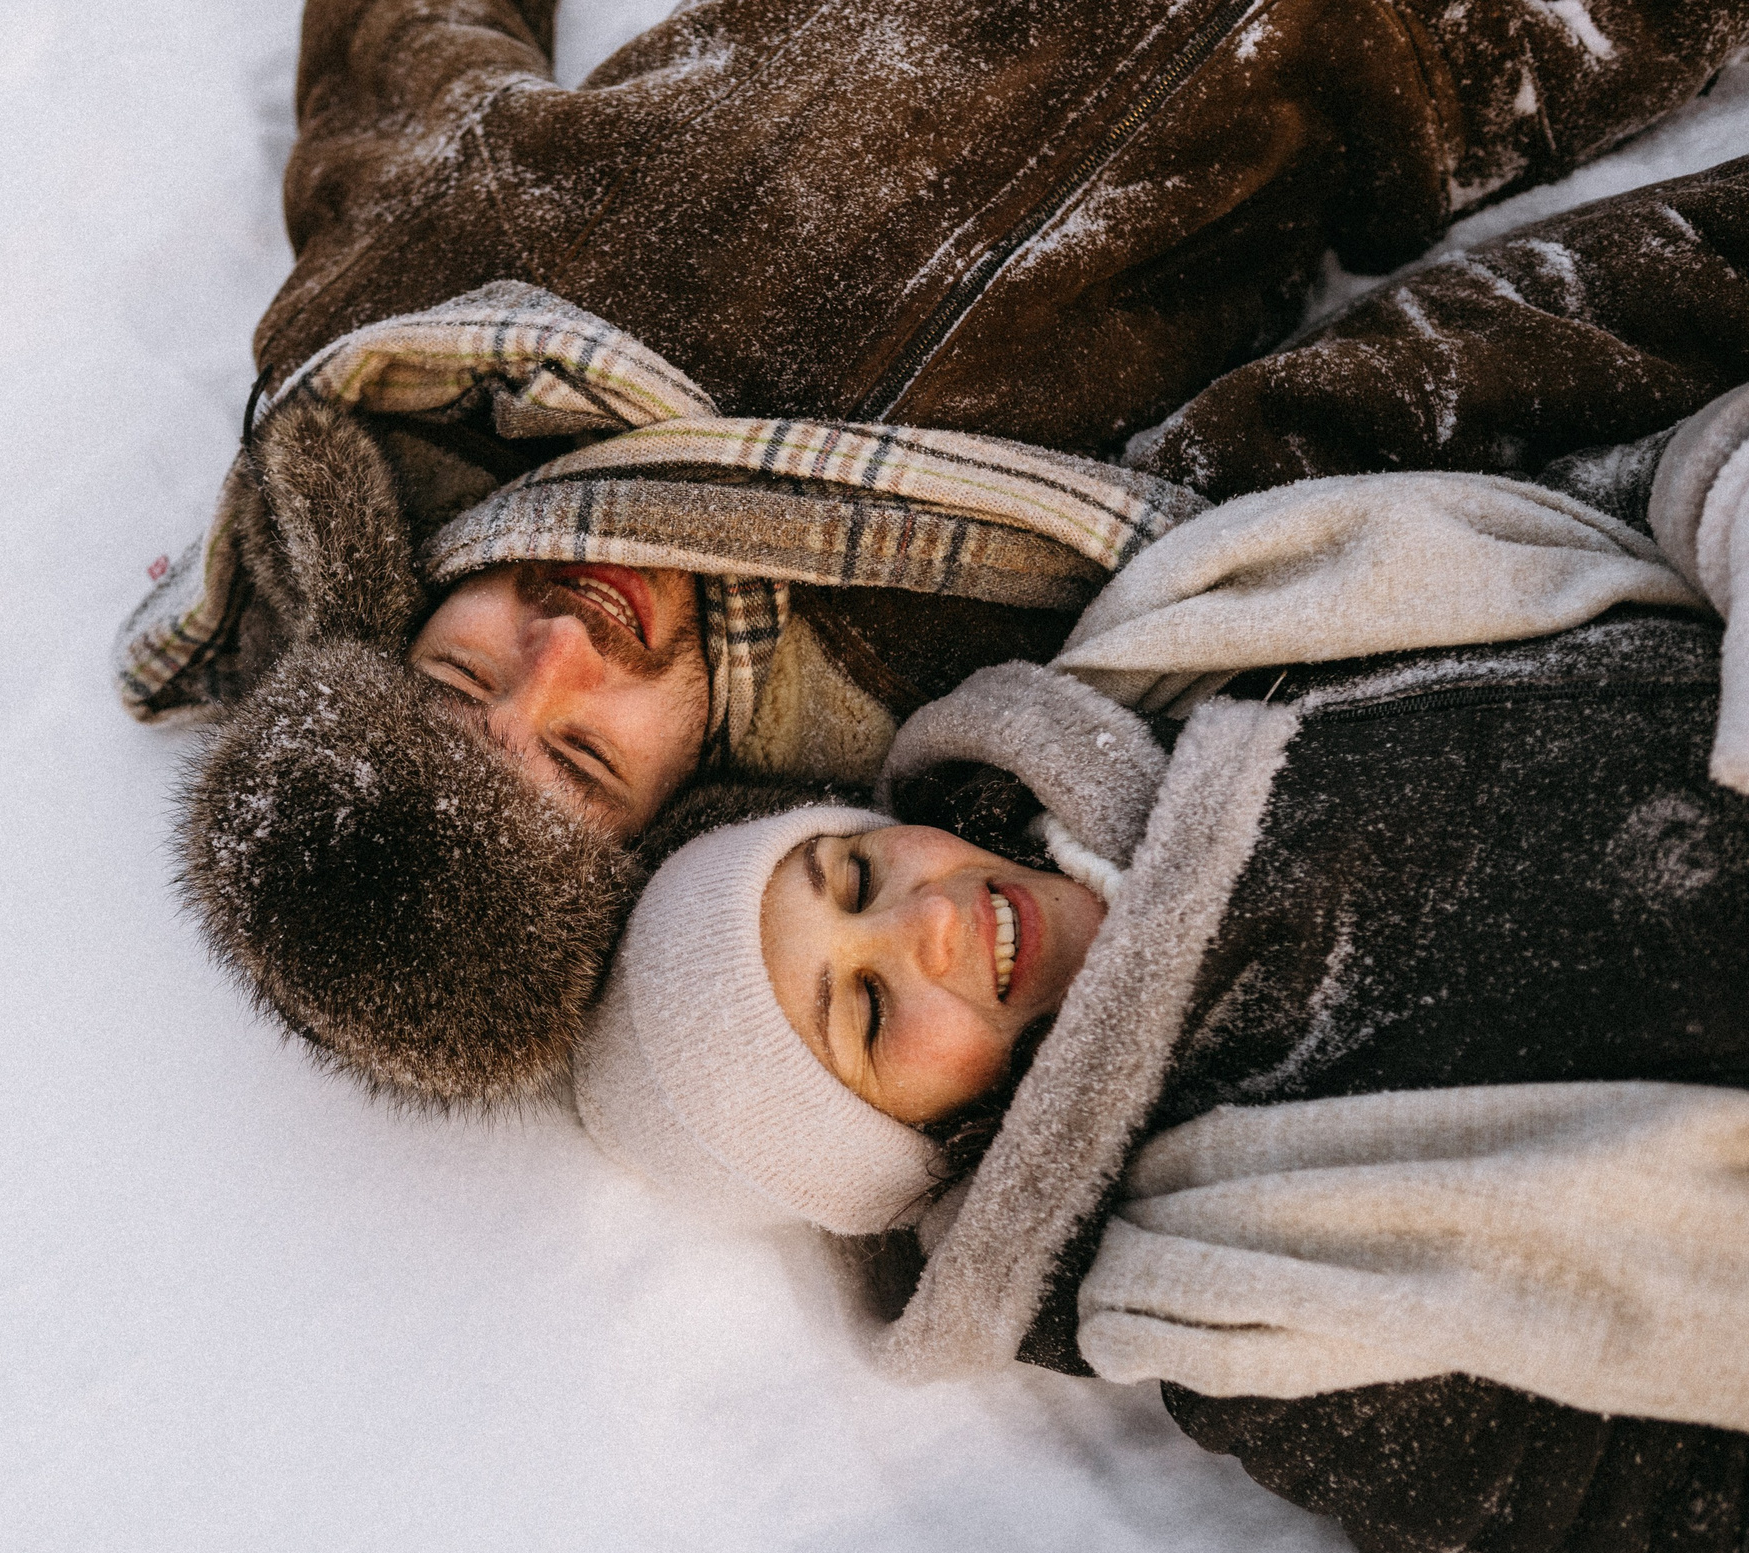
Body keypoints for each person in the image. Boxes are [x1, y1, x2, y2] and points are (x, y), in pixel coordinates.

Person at [129, 0, 1749, 1101]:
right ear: (664, 836)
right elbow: (1401, 391)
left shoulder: (410, 315)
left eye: (459, 666)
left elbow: (404, 54)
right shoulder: (952, 657)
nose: (565, 644)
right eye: (576, 753)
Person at [571, 437, 1749, 1553]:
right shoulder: (1213, 1297)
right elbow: (1661, 1532)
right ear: (911, 1143)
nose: (921, 922)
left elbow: (1654, 488)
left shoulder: (1203, 648)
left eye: (855, 875)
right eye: (863, 1012)